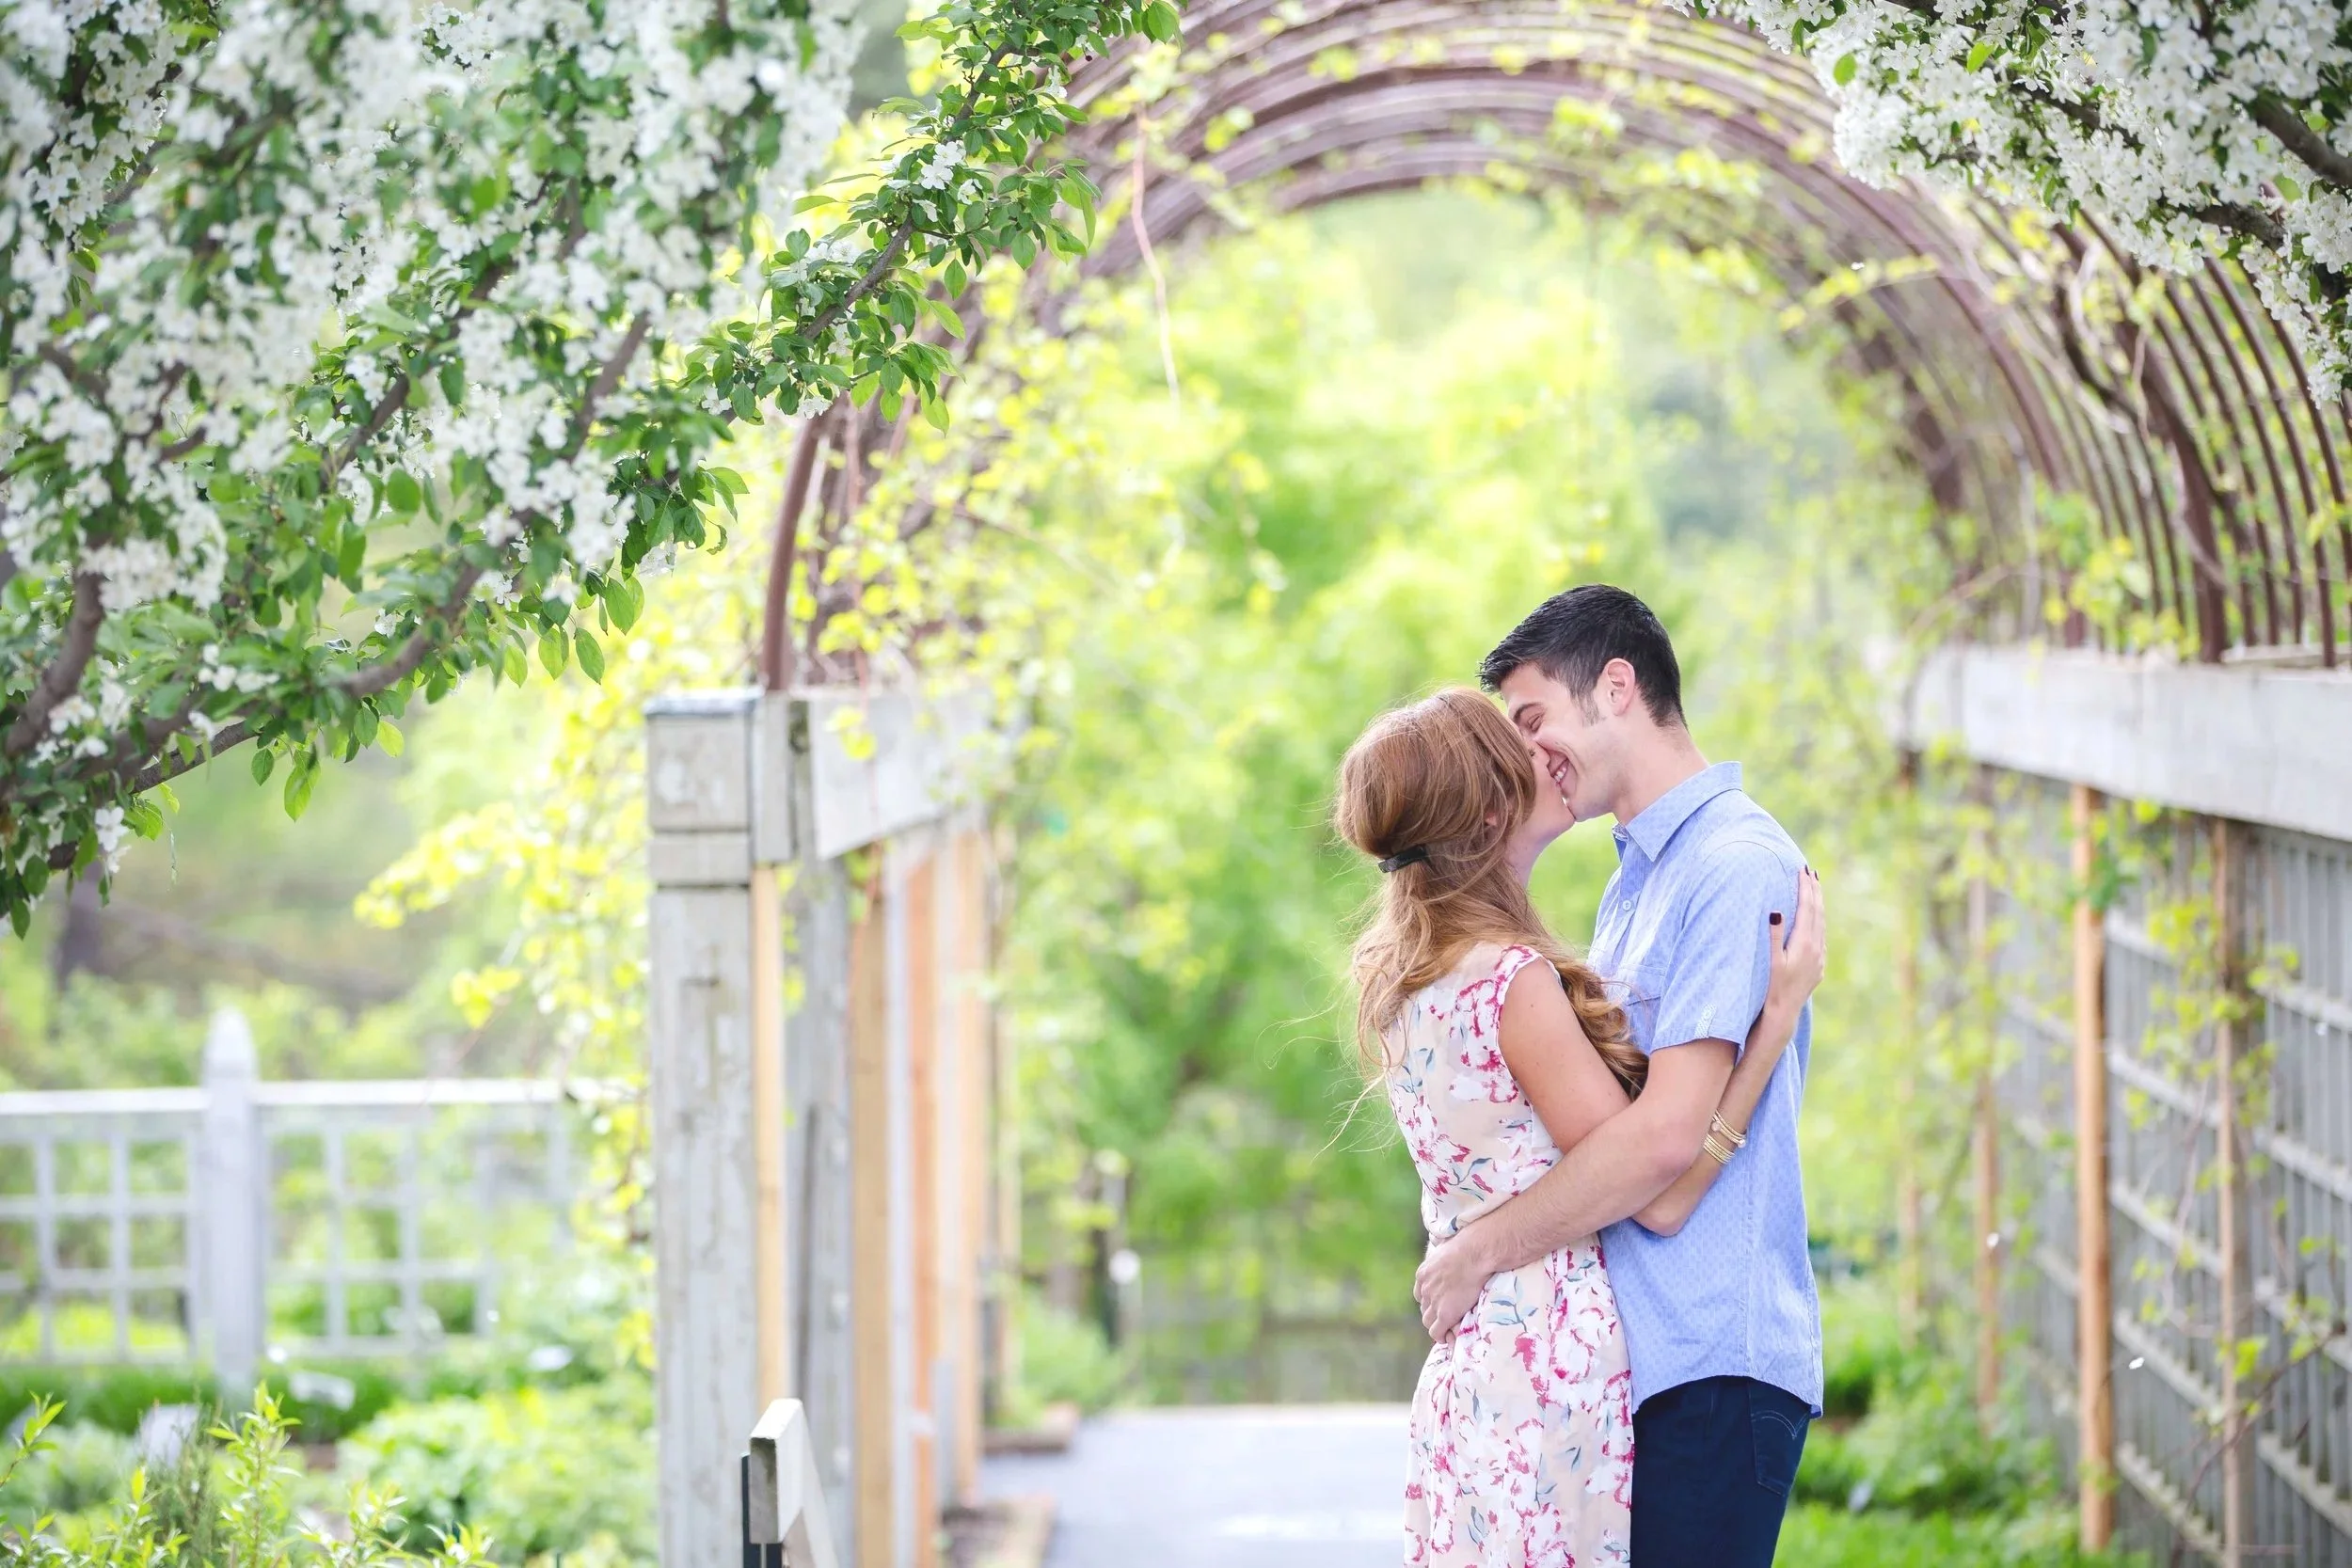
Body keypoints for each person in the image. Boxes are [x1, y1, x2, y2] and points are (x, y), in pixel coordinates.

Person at [1333, 682, 1825, 1567]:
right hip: (1544, 1361)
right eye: (1514, 746)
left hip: (1476, 1371)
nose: (1540, 758)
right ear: (1488, 813)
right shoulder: (1512, 983)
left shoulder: (1402, 981)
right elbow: (1664, 1190)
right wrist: (1773, 1027)